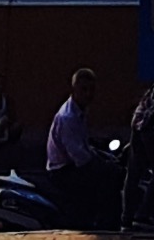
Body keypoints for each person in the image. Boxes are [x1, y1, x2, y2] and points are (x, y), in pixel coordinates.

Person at [47, 68, 104, 226]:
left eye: (91, 90)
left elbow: (84, 145)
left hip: (72, 165)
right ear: (74, 89)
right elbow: (80, 157)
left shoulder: (81, 111)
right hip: (62, 170)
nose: (88, 94)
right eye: (83, 89)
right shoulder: (68, 117)